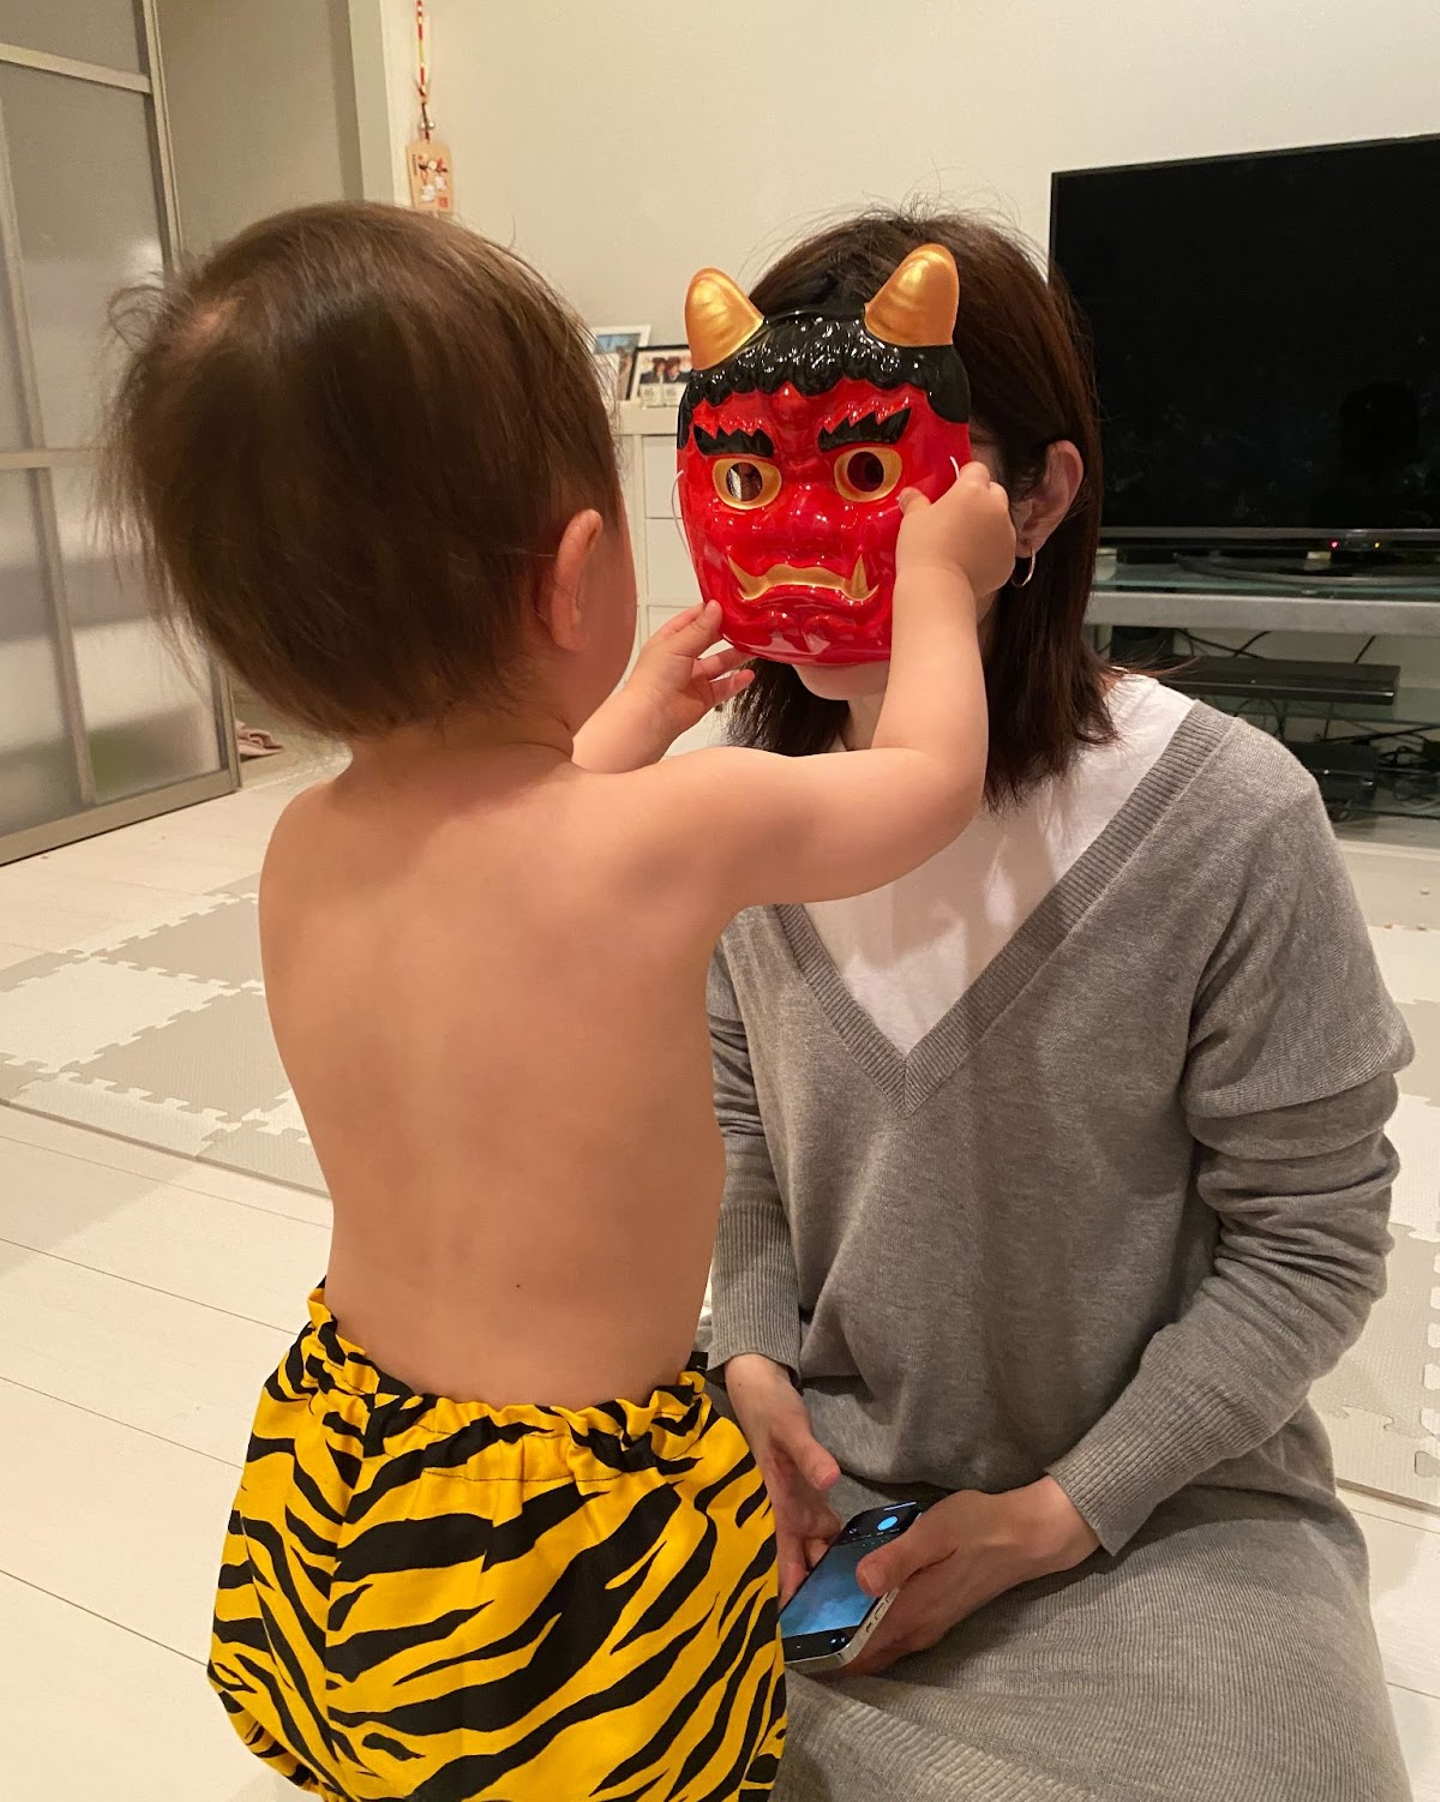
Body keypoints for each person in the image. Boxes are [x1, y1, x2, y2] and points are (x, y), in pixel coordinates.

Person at [103, 201, 1017, 1802]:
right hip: (567, 1534)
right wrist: (938, 574)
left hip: (349, 1451)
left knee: (408, 1754)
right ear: (576, 573)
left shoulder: (308, 848)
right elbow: (930, 782)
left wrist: (625, 722)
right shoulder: (671, 836)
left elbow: (509, 857)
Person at [704, 207, 1413, 1802]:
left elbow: (1310, 1241)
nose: (816, 535)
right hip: (813, 1487)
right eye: (761, 475)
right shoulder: (736, 813)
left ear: (1034, 500)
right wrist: (751, 1364)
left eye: (876, 473)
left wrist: (1058, 1514)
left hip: (1159, 1507)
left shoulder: (1231, 818)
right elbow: (737, 1141)